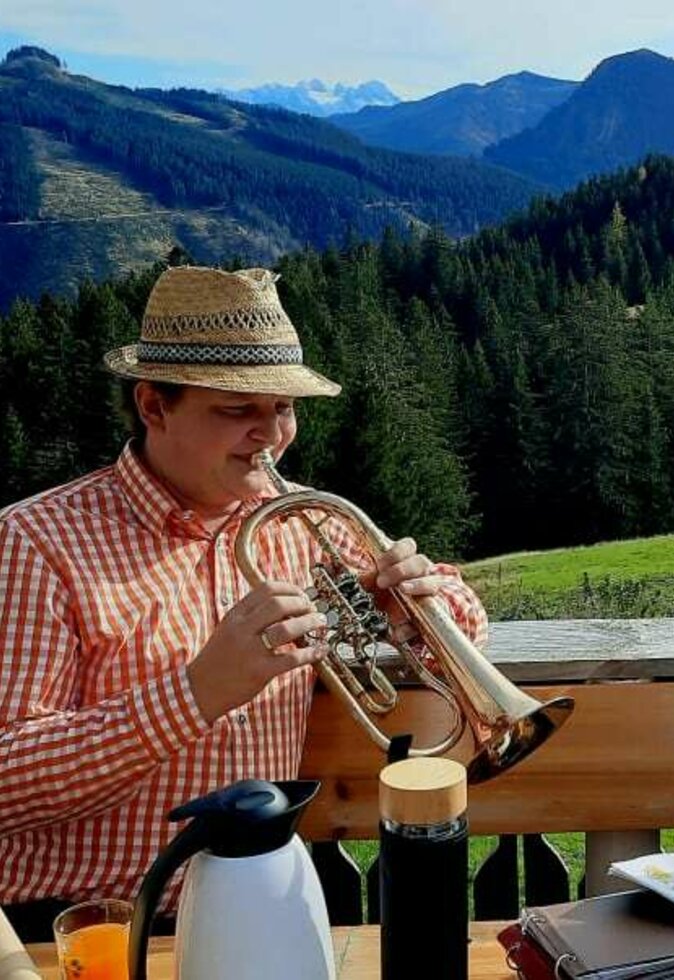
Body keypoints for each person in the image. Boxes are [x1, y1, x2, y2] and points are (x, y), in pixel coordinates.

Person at [0, 266, 488, 940]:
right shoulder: (37, 540)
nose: (273, 435)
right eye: (237, 410)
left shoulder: (300, 520)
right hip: (83, 928)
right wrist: (198, 691)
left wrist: (414, 607)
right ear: (153, 405)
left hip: (259, 905)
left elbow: (466, 622)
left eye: (283, 408)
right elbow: (6, 778)